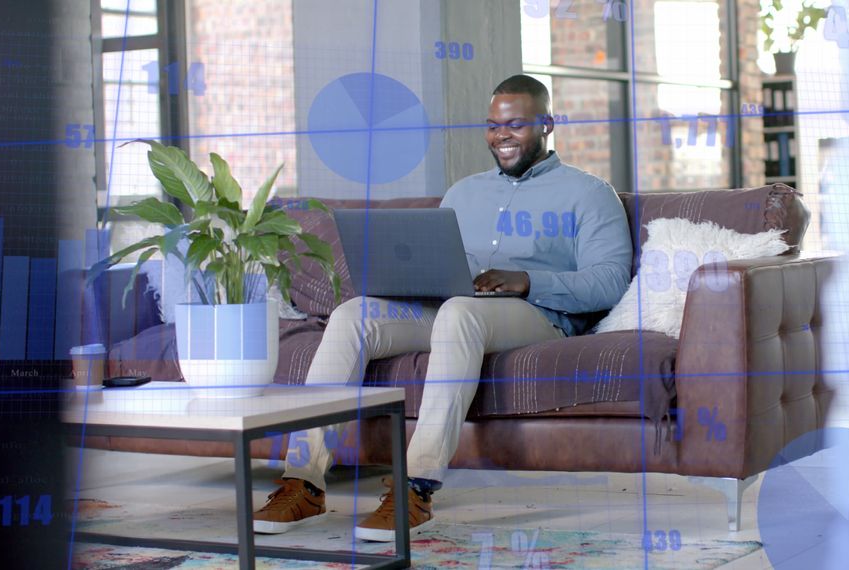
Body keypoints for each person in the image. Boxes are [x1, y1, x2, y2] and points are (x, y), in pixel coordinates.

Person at [253, 74, 632, 541]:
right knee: (354, 315)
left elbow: (609, 283)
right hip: (450, 304)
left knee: (460, 314)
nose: (501, 136)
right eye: (493, 126)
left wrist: (527, 280)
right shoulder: (463, 193)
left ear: (548, 124)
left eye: (515, 125)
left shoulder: (590, 193)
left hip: (536, 314)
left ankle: (416, 487)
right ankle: (303, 483)